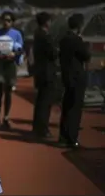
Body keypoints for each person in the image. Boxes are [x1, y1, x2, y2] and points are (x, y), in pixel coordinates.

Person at [58, 13, 90, 148]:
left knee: (66, 106)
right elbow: (86, 55)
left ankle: (63, 136)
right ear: (79, 26)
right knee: (75, 108)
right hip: (77, 77)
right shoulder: (77, 40)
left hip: (66, 76)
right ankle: (72, 138)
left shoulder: (64, 39)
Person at [32, 12, 58, 138]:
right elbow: (53, 53)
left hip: (40, 72)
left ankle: (37, 127)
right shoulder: (45, 36)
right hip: (47, 72)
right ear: (46, 22)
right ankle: (42, 129)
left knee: (40, 101)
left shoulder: (37, 34)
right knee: (45, 102)